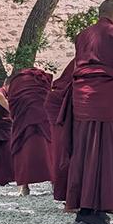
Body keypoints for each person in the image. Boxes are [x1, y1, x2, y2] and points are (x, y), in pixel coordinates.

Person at [66, 0, 113, 224]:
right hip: (105, 96)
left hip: (82, 98)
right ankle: (92, 211)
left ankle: (89, 210)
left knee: (86, 150)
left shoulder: (82, 36)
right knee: (106, 151)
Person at [8, 67, 54, 196]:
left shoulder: (18, 83)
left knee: (24, 151)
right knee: (48, 149)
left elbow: (13, 103)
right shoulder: (41, 84)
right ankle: (54, 182)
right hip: (42, 120)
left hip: (23, 122)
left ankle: (24, 186)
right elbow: (48, 98)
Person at [45, 60, 74, 202]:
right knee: (64, 150)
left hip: (61, 106)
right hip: (61, 110)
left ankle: (63, 187)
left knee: (61, 150)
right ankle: (65, 189)